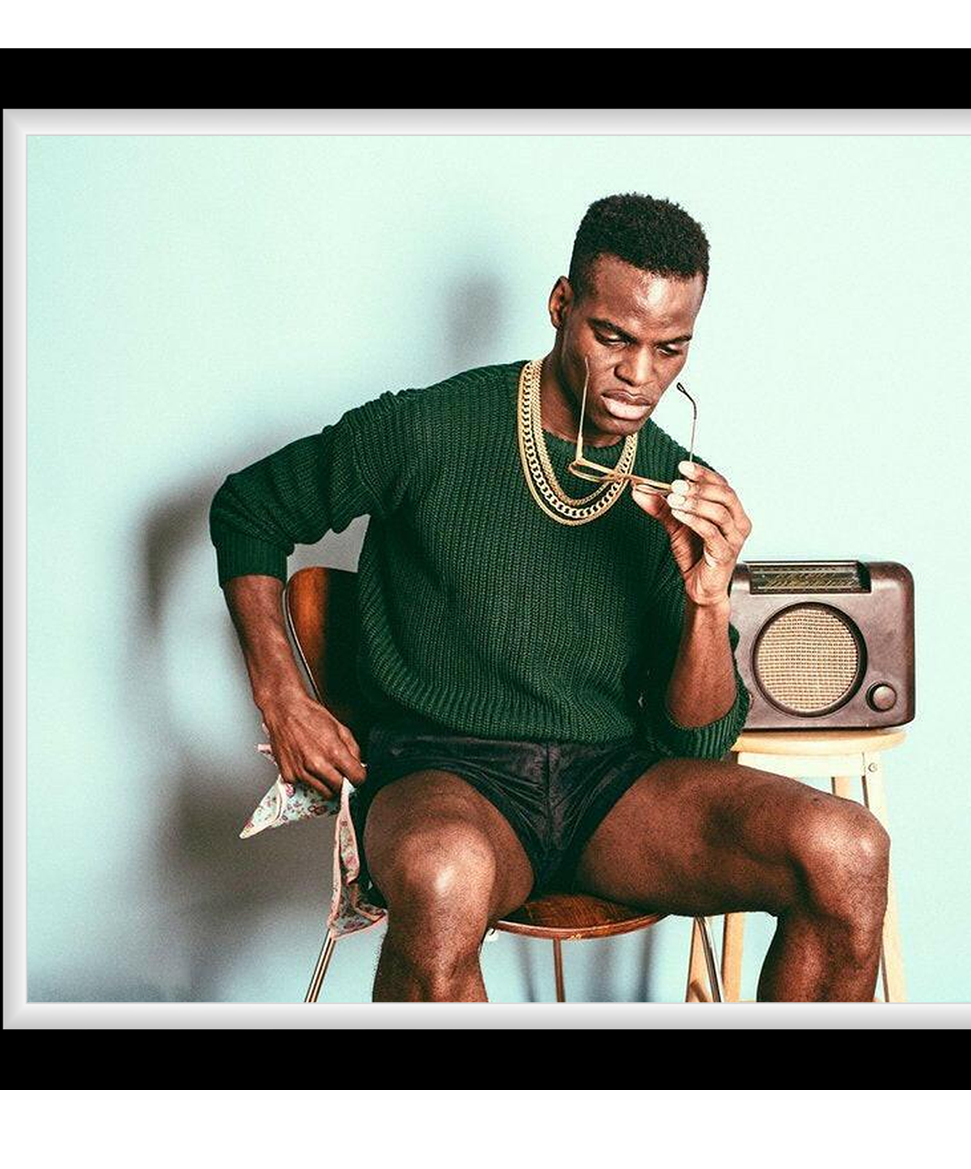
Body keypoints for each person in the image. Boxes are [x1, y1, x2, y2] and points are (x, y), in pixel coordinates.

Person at [209, 193, 890, 1002]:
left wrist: (709, 601)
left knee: (847, 849)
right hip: (446, 774)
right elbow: (248, 509)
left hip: (614, 789)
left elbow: (698, 744)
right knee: (446, 873)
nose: (641, 376)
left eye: (671, 349)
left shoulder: (674, 483)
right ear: (563, 305)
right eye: (615, 338)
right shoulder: (433, 428)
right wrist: (283, 696)